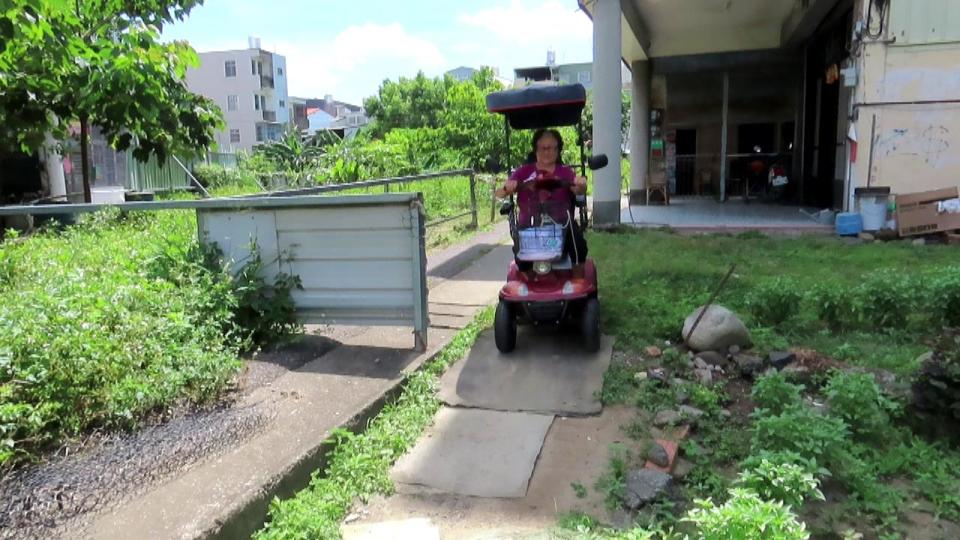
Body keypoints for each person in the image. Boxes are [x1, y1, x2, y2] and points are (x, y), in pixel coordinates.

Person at [495, 128, 589, 275]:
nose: (548, 152)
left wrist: (581, 184)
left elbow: (578, 188)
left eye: (553, 148)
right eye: (544, 148)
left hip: (561, 228)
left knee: (579, 246)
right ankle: (528, 284)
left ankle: (578, 284)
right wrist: (508, 187)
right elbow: (500, 193)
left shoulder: (565, 172)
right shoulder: (524, 172)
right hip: (530, 228)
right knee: (521, 257)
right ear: (536, 150)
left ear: (558, 150)